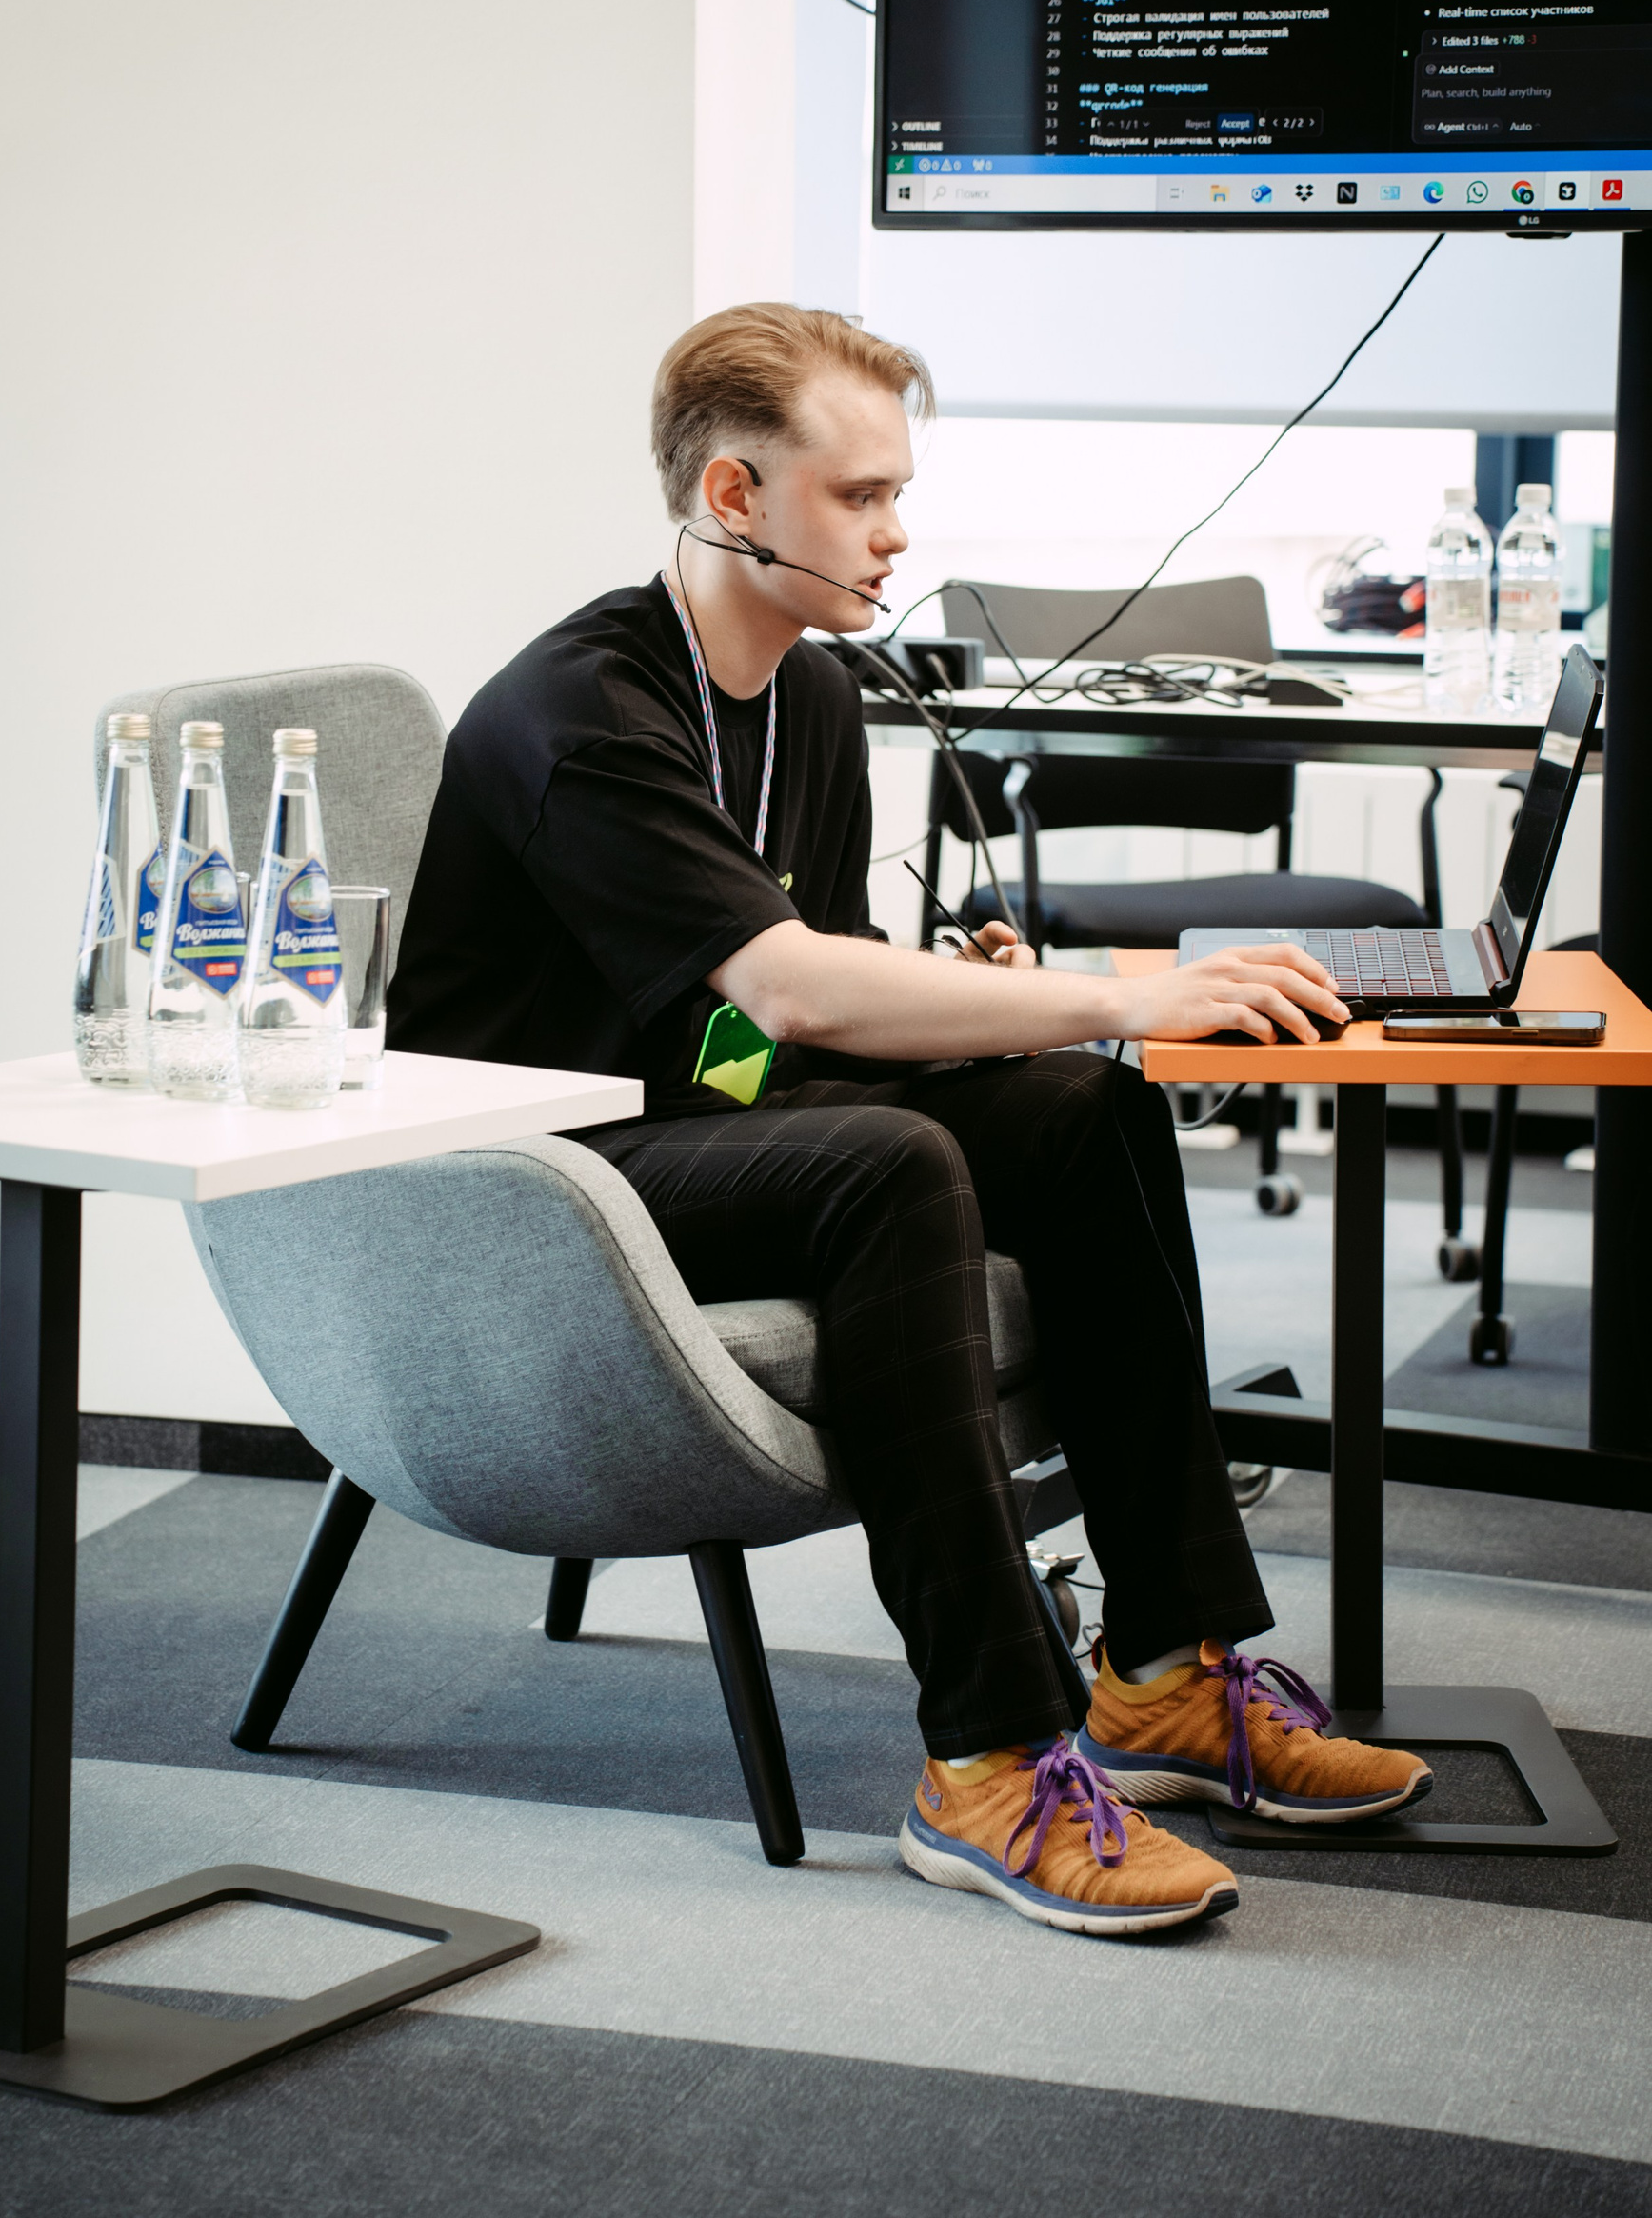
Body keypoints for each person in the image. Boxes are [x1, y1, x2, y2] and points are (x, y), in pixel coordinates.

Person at [389, 302, 1429, 1938]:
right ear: (734, 497)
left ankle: (1163, 1670)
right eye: (861, 496)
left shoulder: (805, 698)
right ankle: (988, 1761)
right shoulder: (576, 712)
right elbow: (787, 994)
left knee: (1080, 1109)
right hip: (530, 1184)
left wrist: (967, 1004)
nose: (895, 533)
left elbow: (769, 1008)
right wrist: (1110, 991)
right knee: (894, 1158)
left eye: (898, 494)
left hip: (703, 1119)